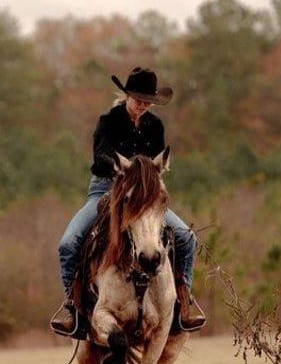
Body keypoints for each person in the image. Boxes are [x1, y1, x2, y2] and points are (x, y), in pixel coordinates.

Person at [50, 66, 206, 338]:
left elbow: (156, 164)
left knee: (185, 237)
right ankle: (73, 308)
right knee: (69, 242)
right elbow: (100, 157)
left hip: (145, 197)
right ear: (126, 96)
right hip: (106, 190)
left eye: (148, 101)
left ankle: (183, 302)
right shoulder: (107, 121)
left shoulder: (155, 125)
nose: (143, 105)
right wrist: (121, 168)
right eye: (139, 100)